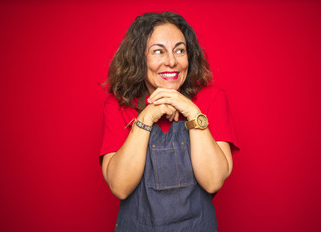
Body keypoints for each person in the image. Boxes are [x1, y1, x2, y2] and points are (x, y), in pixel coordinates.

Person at [100, 12, 239, 232]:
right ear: (139, 57)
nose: (172, 61)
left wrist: (192, 112)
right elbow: (120, 187)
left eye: (180, 50)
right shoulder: (119, 105)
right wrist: (146, 117)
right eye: (158, 51)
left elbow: (213, 181)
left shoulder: (213, 99)